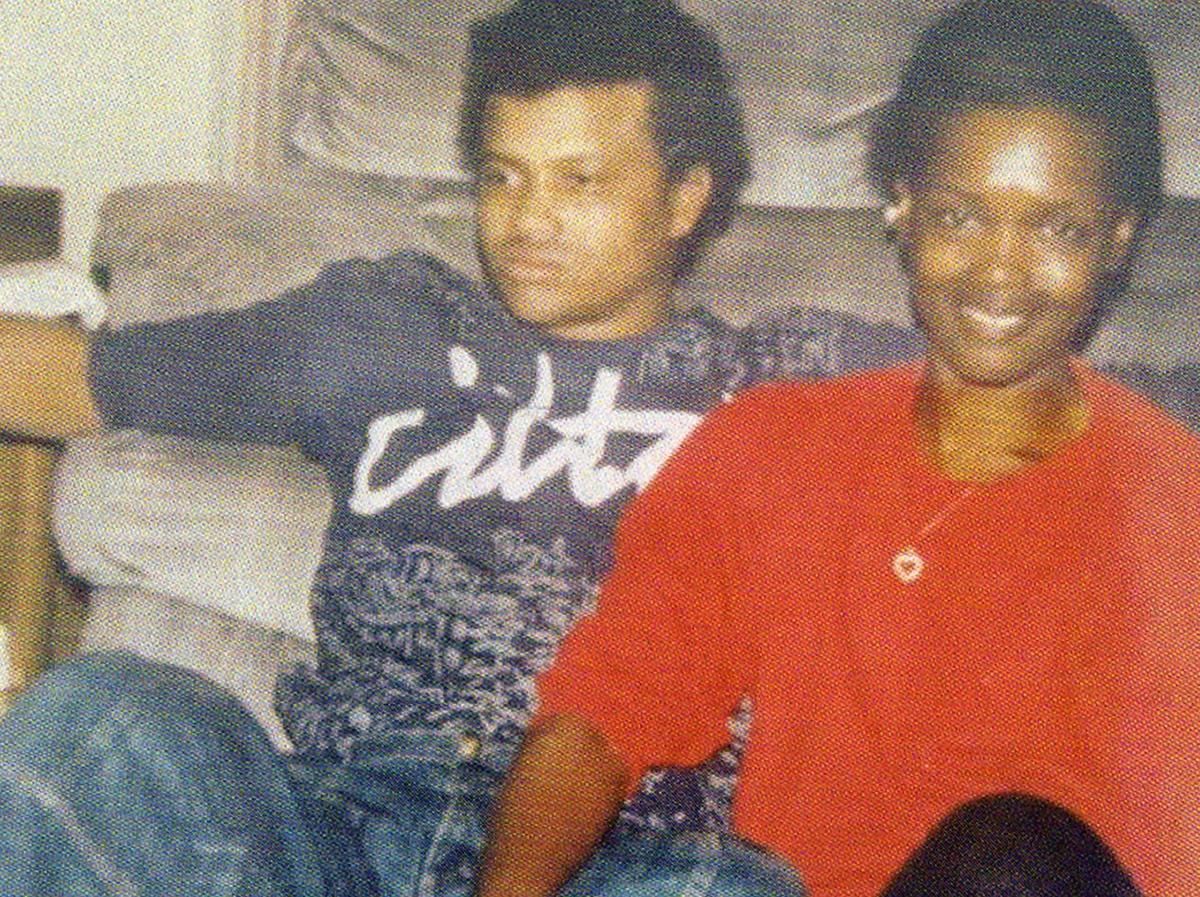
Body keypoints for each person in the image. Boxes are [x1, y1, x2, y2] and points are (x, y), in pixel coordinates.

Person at [0, 1, 917, 895]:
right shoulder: (391, 326)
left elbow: (1017, 373)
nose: (526, 221)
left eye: (579, 180)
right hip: (337, 819)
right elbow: (79, 376)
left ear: (685, 197)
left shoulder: (778, 379)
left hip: (615, 848)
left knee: (738, 887)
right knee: (96, 715)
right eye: (501, 175)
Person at [475, 1, 1200, 896]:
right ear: (901, 206)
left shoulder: (1171, 504)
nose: (1000, 271)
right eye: (960, 215)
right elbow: (604, 709)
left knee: (1006, 851)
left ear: (1120, 239)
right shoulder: (769, 447)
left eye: (1056, 227)